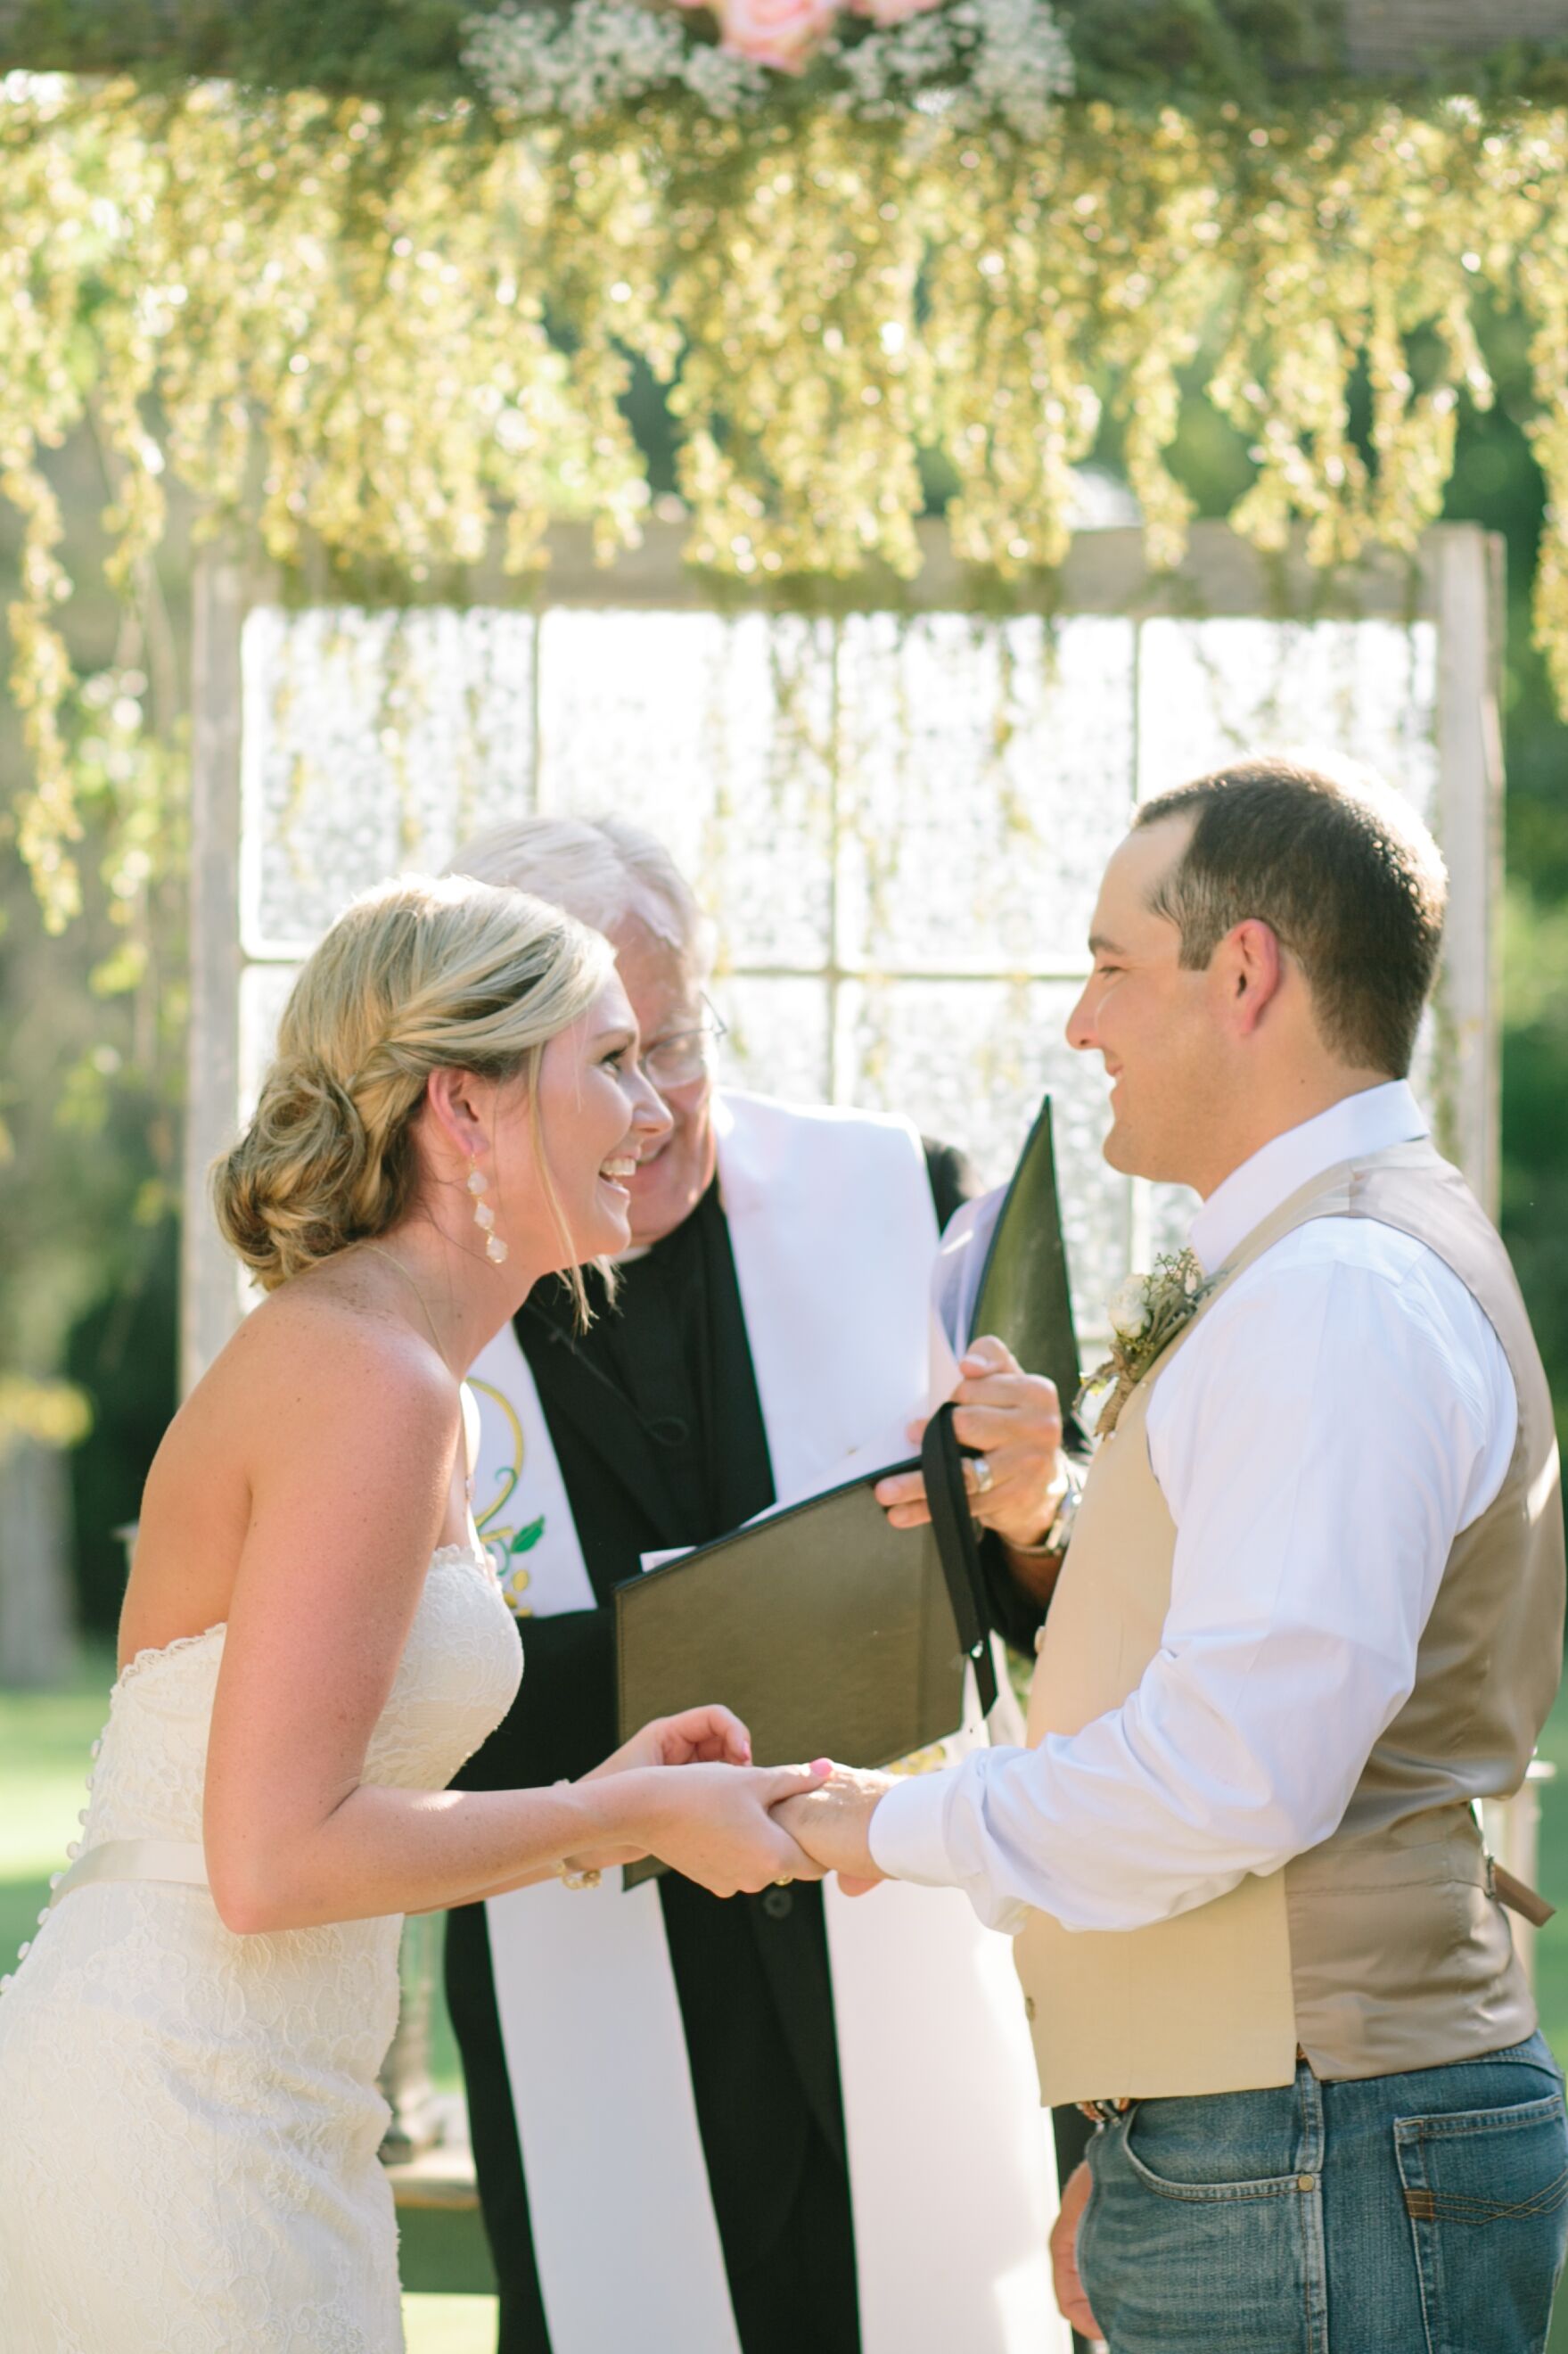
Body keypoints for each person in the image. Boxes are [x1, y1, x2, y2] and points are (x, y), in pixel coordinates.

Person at [780, 758, 1568, 2354]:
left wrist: (886, 1826)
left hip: (1315, 2141)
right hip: (1265, 2139)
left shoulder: (1338, 1293)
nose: (1083, 1025)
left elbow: (1235, 1776)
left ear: (1247, 972)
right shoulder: (1315, 1265)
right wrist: (1146, 2119)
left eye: (1110, 968)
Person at [0, 873, 828, 2353]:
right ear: (466, 1110)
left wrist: (618, 1791)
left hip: (268, 2103)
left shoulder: (401, 1380)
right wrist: (615, 1820)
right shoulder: (370, 1382)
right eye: (615, 1062)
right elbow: (270, 1859)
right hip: (180, 2113)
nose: (659, 1109)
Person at [443, 815, 1075, 2354]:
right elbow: (389, 1705)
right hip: (583, 1943)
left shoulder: (900, 1194)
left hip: (891, 1916)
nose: (654, 1108)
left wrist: (1037, 1508)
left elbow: (1046, 1600)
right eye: (606, 1064)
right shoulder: (417, 1303)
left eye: (682, 1046)